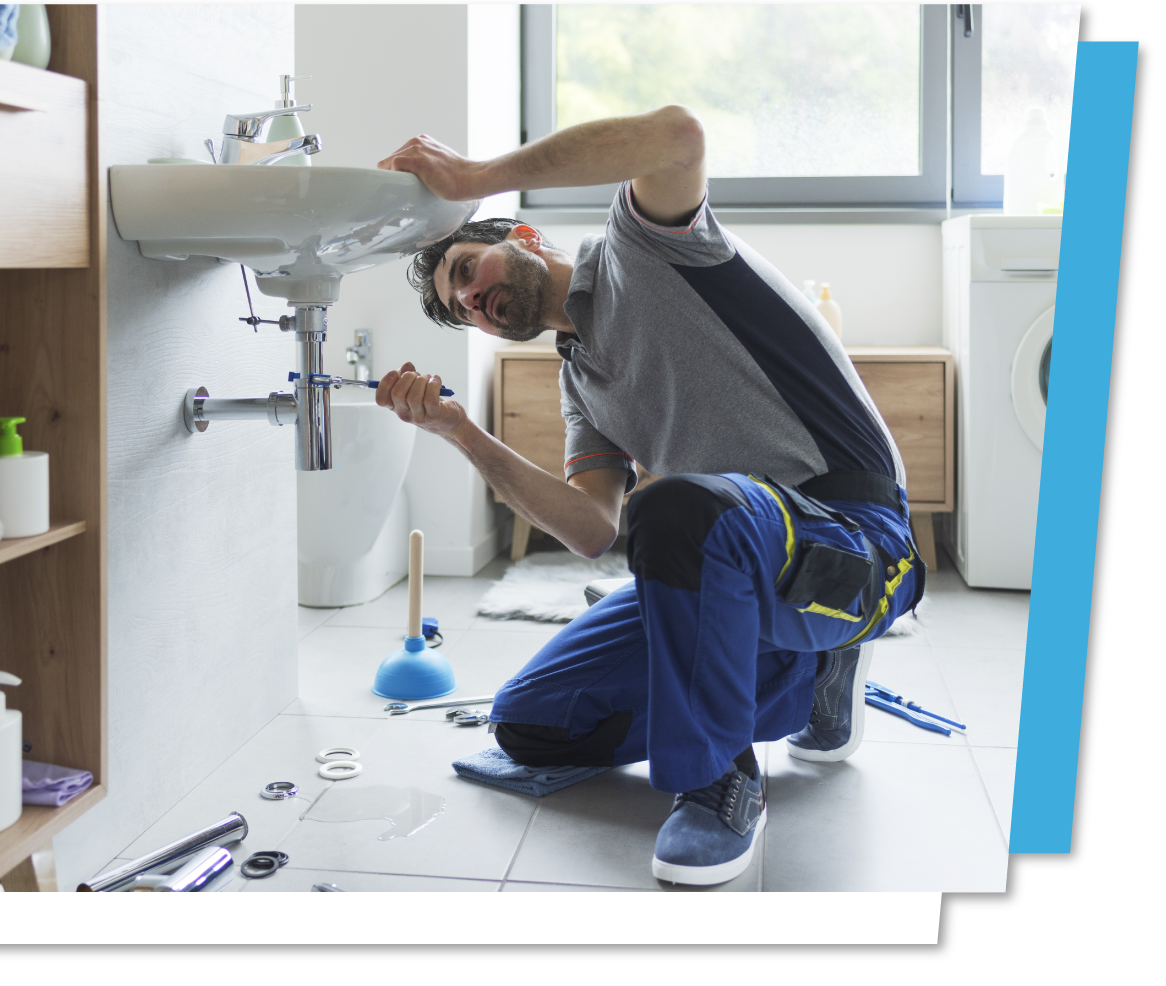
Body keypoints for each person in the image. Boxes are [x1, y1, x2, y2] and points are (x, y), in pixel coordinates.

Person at [371, 107, 925, 886]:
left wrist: (474, 178)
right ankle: (811, 674)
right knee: (533, 724)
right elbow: (592, 528)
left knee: (674, 513)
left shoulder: (644, 247)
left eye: (466, 271)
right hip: (735, 550)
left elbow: (675, 136)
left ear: (521, 239)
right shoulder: (582, 384)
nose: (472, 302)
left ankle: (719, 781)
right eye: (460, 307)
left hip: (854, 539)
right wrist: (461, 432)